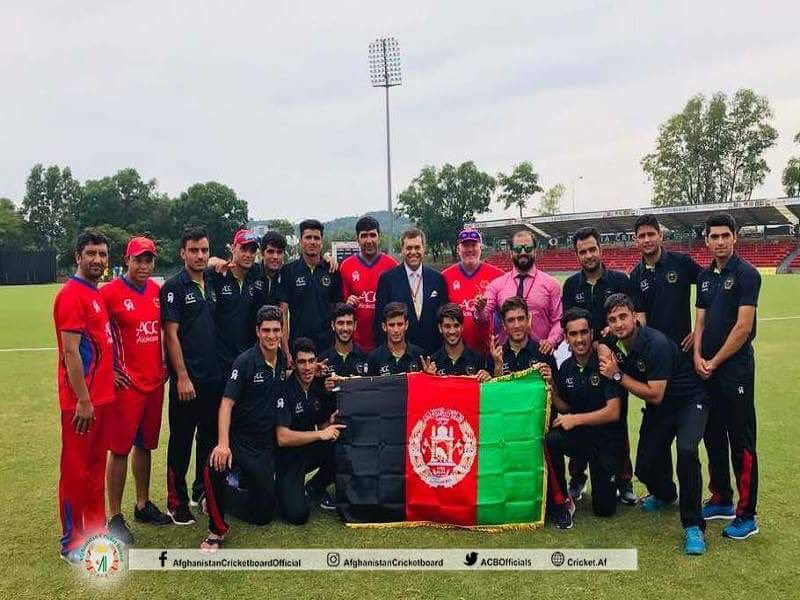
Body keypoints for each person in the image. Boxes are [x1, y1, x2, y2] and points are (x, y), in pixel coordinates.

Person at [598, 294, 709, 556]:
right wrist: (602, 347)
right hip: (661, 410)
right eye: (612, 320)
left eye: (623, 316)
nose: (619, 323)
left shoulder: (654, 343)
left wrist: (617, 375)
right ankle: (666, 494)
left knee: (686, 451)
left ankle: (693, 525)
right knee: (645, 467)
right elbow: (599, 343)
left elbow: (655, 393)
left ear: (635, 316)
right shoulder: (615, 340)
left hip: (689, 401)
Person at [694, 213, 761, 540]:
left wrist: (715, 360)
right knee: (712, 434)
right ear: (706, 240)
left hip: (734, 370)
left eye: (724, 235)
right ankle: (721, 497)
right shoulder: (705, 277)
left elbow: (743, 328)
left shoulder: (747, 274)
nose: (719, 242)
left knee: (741, 440)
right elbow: (701, 323)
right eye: (713, 236)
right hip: (706, 369)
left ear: (735, 237)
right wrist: (697, 357)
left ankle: (747, 515)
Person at [199, 306, 288, 551]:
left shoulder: (281, 359)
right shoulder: (245, 362)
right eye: (266, 330)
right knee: (214, 465)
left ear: (282, 332)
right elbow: (226, 404)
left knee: (263, 515)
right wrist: (223, 444)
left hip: (264, 444)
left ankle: (226, 494)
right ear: (257, 331)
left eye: (276, 330)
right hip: (239, 440)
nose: (272, 336)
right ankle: (215, 530)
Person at [100, 237, 171, 545]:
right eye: (138, 260)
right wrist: (109, 371)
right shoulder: (110, 293)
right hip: (126, 386)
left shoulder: (158, 292)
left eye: (149, 260)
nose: (143, 266)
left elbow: (166, 332)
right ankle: (113, 516)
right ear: (126, 260)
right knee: (119, 449)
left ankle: (142, 504)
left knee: (145, 446)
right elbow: (96, 335)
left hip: (155, 383)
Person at [561, 227, 636, 505]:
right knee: (580, 415)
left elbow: (631, 321)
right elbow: (569, 322)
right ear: (577, 255)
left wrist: (608, 344)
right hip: (582, 359)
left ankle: (624, 480)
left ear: (601, 250)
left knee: (617, 419)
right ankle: (577, 477)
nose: (589, 255)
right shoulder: (571, 285)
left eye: (592, 249)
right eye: (583, 251)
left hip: (612, 362)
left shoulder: (618, 280)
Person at [53, 230, 116, 563]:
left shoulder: (95, 293)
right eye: (91, 253)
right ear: (78, 256)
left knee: (94, 469)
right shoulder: (71, 295)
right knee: (77, 471)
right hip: (81, 403)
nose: (97, 260)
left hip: (101, 399)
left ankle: (94, 530)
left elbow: (100, 343)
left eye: (103, 254)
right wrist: (84, 399)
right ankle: (72, 542)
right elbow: (71, 352)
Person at [160, 226, 223, 525]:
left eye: (204, 250)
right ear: (182, 253)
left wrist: (216, 261)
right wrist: (181, 376)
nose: (200, 255)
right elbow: (170, 336)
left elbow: (221, 263)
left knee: (208, 440)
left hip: (213, 379)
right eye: (193, 250)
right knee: (182, 441)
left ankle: (202, 491)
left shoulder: (211, 280)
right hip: (188, 382)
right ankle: (176, 501)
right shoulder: (173, 287)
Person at [542, 308, 626, 529]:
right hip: (580, 437)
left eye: (583, 332)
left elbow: (613, 411)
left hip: (605, 441)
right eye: (573, 334)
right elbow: (566, 406)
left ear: (592, 333)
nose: (579, 339)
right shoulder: (567, 367)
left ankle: (611, 478)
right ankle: (562, 499)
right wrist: (552, 390)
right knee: (551, 439)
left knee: (604, 510)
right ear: (566, 338)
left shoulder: (604, 362)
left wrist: (575, 419)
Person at [275, 338, 344, 523]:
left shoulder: (316, 386)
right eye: (302, 362)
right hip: (287, 459)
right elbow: (282, 437)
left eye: (311, 361)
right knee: (298, 516)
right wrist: (320, 434)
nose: (307, 367)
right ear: (294, 365)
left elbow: (322, 425)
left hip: (308, 452)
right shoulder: (285, 389)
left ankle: (315, 487)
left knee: (339, 444)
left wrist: (330, 424)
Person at [475, 229, 563, 354]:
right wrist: (479, 309)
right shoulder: (497, 285)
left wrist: (551, 341)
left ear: (535, 251)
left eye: (527, 248)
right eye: (517, 249)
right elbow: (483, 317)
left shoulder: (551, 284)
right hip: (507, 356)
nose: (522, 252)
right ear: (511, 253)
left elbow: (558, 320)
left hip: (540, 354)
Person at [629, 214, 702, 350]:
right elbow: (641, 315)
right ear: (636, 240)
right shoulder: (635, 275)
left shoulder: (681, 262)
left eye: (651, 234)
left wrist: (699, 330)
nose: (647, 240)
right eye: (642, 236)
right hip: (655, 350)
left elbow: (709, 287)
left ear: (660, 235)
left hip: (683, 348)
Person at [374, 228, 448, 354]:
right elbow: (379, 320)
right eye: (409, 248)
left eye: (417, 247)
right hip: (400, 354)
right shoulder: (387, 279)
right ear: (402, 250)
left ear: (424, 248)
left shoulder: (437, 279)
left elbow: (444, 318)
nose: (413, 252)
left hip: (433, 353)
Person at [281, 219, 342, 352]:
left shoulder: (332, 270)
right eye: (308, 237)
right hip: (297, 348)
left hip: (327, 348)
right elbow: (283, 313)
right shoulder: (288, 271)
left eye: (316, 238)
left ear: (321, 241)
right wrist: (286, 351)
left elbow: (338, 312)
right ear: (301, 240)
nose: (312, 242)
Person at [440, 228, 503, 357]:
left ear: (480, 248)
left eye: (473, 245)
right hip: (455, 354)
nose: (469, 250)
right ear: (458, 249)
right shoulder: (445, 277)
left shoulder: (498, 276)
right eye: (465, 245)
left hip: (488, 352)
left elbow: (507, 314)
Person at [207, 229, 262, 377]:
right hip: (220, 360)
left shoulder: (255, 273)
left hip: (247, 359)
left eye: (252, 250)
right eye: (243, 249)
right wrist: (213, 260)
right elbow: (199, 264)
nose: (248, 254)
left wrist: (327, 257)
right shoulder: (218, 273)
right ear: (233, 248)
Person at [340, 216, 398, 352]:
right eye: (364, 236)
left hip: (385, 344)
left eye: (372, 235)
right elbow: (339, 306)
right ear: (357, 239)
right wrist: (346, 303)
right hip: (354, 345)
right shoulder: (346, 267)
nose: (369, 240)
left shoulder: (392, 266)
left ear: (379, 237)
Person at [488, 296, 557, 377]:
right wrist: (498, 367)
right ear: (504, 325)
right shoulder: (496, 356)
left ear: (528, 320)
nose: (517, 325)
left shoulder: (543, 352)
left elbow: (557, 389)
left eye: (520, 319)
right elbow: (493, 389)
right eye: (511, 320)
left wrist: (551, 381)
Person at [422, 303, 491, 380]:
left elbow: (486, 389)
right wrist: (429, 379)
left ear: (462, 327)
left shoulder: (477, 359)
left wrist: (486, 378)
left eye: (456, 325)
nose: (452, 331)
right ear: (440, 328)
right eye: (447, 326)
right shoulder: (433, 362)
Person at [318, 303, 369, 390]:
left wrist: (362, 384)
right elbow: (316, 395)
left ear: (355, 325)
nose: (345, 328)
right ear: (333, 325)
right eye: (340, 323)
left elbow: (372, 392)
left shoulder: (365, 357)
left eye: (349, 323)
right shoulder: (323, 360)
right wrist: (325, 389)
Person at [367, 302, 425, 376]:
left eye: (400, 324)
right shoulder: (374, 358)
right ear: (384, 327)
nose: (396, 330)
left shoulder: (419, 355)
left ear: (406, 325)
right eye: (391, 325)